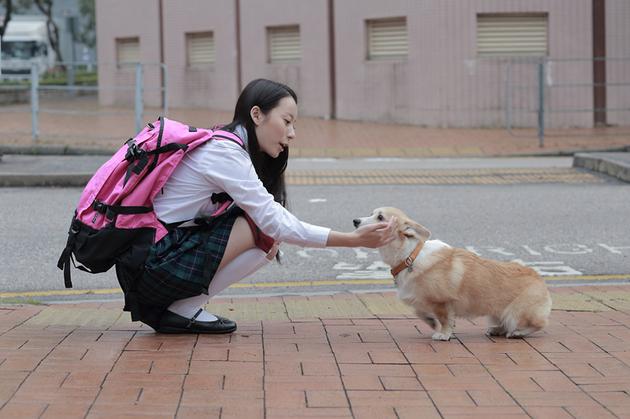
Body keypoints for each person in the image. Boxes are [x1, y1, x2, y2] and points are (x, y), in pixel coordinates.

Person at [133, 78, 396, 334]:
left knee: (263, 233)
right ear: (257, 115)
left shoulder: (226, 144)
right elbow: (275, 222)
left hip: (155, 258)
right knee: (264, 231)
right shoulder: (224, 153)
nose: (292, 133)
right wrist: (352, 240)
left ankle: (181, 307)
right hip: (153, 264)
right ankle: (181, 309)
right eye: (287, 121)